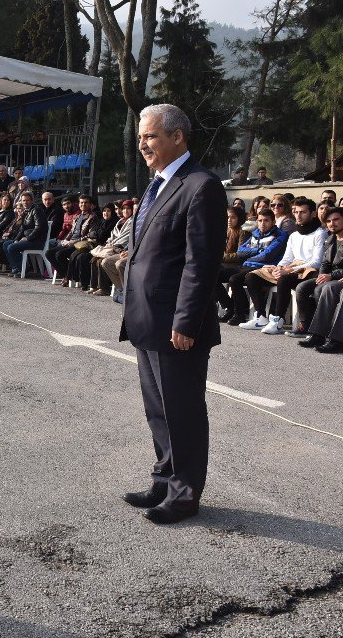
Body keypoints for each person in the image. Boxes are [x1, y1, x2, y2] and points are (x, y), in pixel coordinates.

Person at [119, 103, 226, 525]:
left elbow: (200, 262)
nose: (142, 144)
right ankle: (164, 478)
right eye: (141, 137)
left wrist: (186, 321)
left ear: (177, 137)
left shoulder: (200, 186)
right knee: (158, 409)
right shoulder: (157, 184)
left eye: (150, 137)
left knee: (182, 410)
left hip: (175, 324)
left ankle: (184, 494)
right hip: (147, 318)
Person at [240, 197, 326, 334]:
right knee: (252, 276)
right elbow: (287, 258)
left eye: (303, 212)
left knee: (284, 279)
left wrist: (289, 270)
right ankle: (261, 317)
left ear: (313, 214)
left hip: (308, 270)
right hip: (291, 267)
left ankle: (278, 320)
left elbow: (317, 261)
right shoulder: (294, 235)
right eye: (296, 212)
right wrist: (278, 268)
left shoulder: (320, 233)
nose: (298, 215)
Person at [220, 208, 287, 326]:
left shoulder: (280, 235)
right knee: (215, 275)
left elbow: (267, 255)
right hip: (247, 265)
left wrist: (250, 255)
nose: (262, 223)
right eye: (260, 220)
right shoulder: (255, 234)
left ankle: (239, 314)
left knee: (234, 279)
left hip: (263, 267)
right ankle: (229, 307)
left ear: (273, 222)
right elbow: (241, 250)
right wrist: (258, 250)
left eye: (266, 220)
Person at [292, 207, 343, 340]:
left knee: (325, 288)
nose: (332, 223)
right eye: (329, 221)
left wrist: (331, 276)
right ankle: (309, 327)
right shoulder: (330, 239)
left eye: (336, 220)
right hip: (331, 276)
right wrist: (322, 275)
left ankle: (323, 334)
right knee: (303, 287)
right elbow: (325, 263)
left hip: (341, 277)